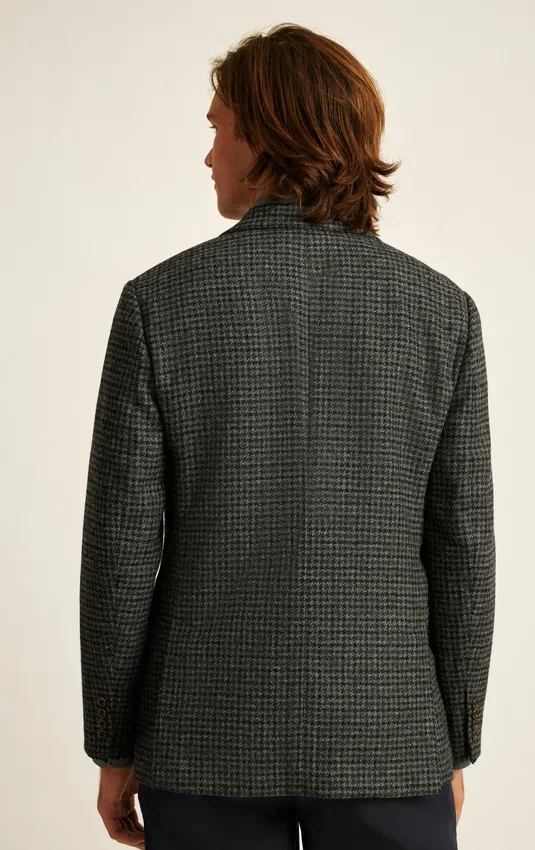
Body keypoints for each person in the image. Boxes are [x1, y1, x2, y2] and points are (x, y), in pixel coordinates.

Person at [80, 22, 496, 850]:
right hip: (388, 736)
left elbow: (120, 554)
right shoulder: (440, 312)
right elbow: (462, 551)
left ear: (268, 136)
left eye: (217, 129)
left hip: (201, 736)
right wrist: (452, 740)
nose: (207, 155)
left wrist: (114, 745)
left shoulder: (159, 304)